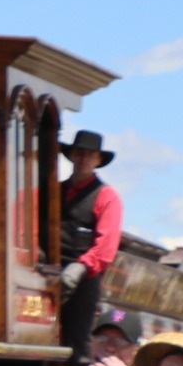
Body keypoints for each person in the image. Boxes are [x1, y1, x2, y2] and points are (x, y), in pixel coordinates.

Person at [57, 129, 122, 354]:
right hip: (50, 271)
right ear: (72, 155)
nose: (84, 159)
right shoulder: (55, 191)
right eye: (80, 153)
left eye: (90, 155)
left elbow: (106, 247)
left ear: (98, 160)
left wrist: (80, 267)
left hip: (82, 280)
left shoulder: (107, 196)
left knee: (76, 343)